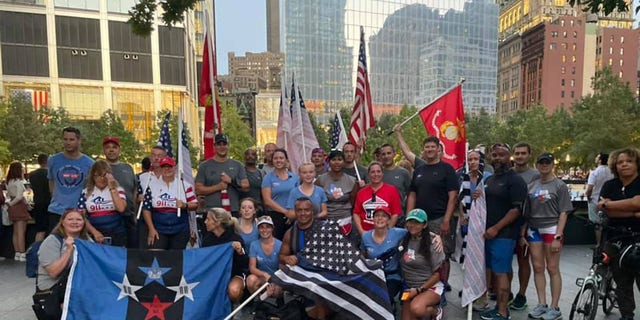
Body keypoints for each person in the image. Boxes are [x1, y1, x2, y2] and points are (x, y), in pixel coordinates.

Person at [479, 143, 527, 320]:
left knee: (501, 274)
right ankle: (498, 307)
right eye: (494, 155)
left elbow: (516, 210)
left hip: (504, 235)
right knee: (496, 275)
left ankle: (503, 312)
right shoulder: (489, 180)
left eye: (501, 155)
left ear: (509, 157)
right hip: (488, 234)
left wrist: (496, 228)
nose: (497, 158)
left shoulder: (515, 180)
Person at [522, 153, 572, 320]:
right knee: (537, 267)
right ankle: (541, 303)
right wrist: (523, 233)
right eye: (541, 162)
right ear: (537, 165)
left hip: (552, 227)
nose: (544, 165)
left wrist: (558, 235)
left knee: (552, 268)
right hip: (533, 228)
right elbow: (526, 211)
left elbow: (564, 211)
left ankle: (555, 306)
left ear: (552, 164)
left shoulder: (559, 185)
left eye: (547, 162)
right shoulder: (532, 185)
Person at [406, 136, 459, 290]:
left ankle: (443, 284)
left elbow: (453, 196)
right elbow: (412, 194)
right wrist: (409, 218)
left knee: (442, 254)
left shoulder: (447, 169)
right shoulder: (419, 170)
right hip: (419, 221)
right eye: (426, 147)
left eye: (432, 147)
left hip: (439, 218)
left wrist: (447, 220)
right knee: (420, 251)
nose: (429, 150)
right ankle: (424, 282)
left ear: (438, 149)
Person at [598, 148, 640, 320]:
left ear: (637, 163)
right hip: (615, 237)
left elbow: (638, 201)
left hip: (638, 238)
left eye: (629, 161)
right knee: (621, 281)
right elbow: (603, 209)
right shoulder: (610, 185)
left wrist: (610, 204)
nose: (624, 164)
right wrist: (633, 211)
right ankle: (626, 315)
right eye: (620, 162)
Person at [37, 208, 90, 314]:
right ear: (63, 222)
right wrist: (69, 250)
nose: (75, 222)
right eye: (70, 219)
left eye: (79, 219)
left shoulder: (86, 240)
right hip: (54, 287)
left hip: (76, 283)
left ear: (84, 223)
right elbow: (53, 272)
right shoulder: (52, 241)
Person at [142, 157, 198, 250]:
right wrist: (151, 229)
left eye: (169, 166)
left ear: (174, 168)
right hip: (158, 229)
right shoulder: (151, 185)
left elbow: (195, 205)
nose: (167, 169)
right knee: (157, 256)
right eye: (164, 167)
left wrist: (185, 205)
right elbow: (146, 209)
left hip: (180, 230)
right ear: (160, 168)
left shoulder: (184, 185)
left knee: (176, 259)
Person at [399, 209, 446, 320]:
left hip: (429, 287)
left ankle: (435, 311)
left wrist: (419, 290)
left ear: (424, 225)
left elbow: (439, 274)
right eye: (410, 221)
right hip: (409, 288)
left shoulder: (434, 243)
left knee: (416, 308)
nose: (412, 225)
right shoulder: (403, 237)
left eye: (417, 222)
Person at [509, 142, 540, 310]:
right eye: (517, 153)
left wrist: (526, 227)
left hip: (527, 223)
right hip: (508, 222)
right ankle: (506, 292)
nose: (520, 156)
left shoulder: (536, 175)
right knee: (506, 261)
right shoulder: (508, 173)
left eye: (523, 153)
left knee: (523, 260)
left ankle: (521, 294)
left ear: (529, 155)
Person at [47, 127, 94, 232]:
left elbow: (91, 187)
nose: (68, 142)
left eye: (71, 140)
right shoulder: (53, 160)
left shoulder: (89, 163)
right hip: (56, 210)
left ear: (79, 141)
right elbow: (51, 181)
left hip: (78, 212)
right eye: (65, 139)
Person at [201, 207, 248, 304]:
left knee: (234, 291)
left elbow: (244, 264)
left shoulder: (235, 239)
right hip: (214, 275)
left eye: (208, 219)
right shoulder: (207, 240)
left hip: (234, 274)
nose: (205, 222)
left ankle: (235, 309)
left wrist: (239, 252)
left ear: (218, 222)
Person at [195, 133, 249, 217]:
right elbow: (198, 189)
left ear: (228, 146)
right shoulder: (204, 166)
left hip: (233, 210)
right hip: (212, 211)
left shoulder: (237, 165)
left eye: (224, 144)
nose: (222, 147)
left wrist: (231, 181)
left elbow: (246, 186)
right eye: (219, 144)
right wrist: (218, 187)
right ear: (214, 146)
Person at [77, 160, 127, 246]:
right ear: (93, 176)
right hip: (94, 233)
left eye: (104, 175)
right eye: (97, 175)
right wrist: (94, 232)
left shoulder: (118, 190)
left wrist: (112, 187)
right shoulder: (85, 192)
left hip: (116, 233)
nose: (101, 179)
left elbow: (121, 208)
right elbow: (81, 216)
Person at [102, 136, 138, 248]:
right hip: (108, 217)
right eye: (108, 147)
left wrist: (135, 212)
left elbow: (135, 190)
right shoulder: (98, 168)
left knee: (131, 249)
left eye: (114, 147)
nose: (111, 150)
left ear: (119, 150)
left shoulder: (127, 168)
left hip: (128, 215)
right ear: (103, 150)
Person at [316, 150, 358, 237]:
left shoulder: (352, 181)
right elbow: (316, 199)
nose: (336, 162)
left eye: (339, 159)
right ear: (329, 162)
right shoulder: (320, 180)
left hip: (345, 220)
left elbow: (353, 201)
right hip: (326, 219)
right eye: (333, 159)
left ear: (344, 162)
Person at [353, 162, 402, 235]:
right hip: (366, 232)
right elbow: (356, 213)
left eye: (378, 171)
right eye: (373, 172)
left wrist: (388, 231)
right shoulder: (361, 192)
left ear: (382, 173)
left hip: (385, 233)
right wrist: (361, 231)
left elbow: (395, 213)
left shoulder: (392, 190)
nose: (376, 174)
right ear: (368, 174)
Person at [261, 148, 299, 240]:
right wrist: (285, 212)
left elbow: (299, 197)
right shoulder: (268, 178)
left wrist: (292, 213)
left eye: (281, 158)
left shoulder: (294, 177)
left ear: (286, 160)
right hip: (275, 216)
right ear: (272, 160)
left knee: (292, 244)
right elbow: (267, 200)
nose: (279, 160)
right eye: (276, 158)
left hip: (293, 215)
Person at [136, 146, 166, 249]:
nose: (156, 158)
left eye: (159, 155)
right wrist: (138, 198)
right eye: (154, 155)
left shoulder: (170, 176)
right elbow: (136, 197)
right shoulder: (142, 177)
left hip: (164, 218)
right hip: (146, 218)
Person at [246, 215, 283, 296]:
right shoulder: (254, 245)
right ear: (258, 229)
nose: (264, 230)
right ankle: (259, 302)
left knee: (277, 291)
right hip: (261, 276)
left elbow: (282, 267)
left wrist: (274, 280)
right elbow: (252, 267)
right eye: (261, 227)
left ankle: (279, 301)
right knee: (251, 280)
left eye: (267, 227)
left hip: (276, 277)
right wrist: (264, 275)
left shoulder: (280, 245)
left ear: (272, 228)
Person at [585, 152, 613, 247]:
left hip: (595, 200)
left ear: (600, 160)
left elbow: (589, 188)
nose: (595, 159)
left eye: (597, 157)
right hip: (609, 201)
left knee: (597, 223)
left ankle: (598, 244)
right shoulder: (612, 172)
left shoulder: (594, 172)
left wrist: (588, 196)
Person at [379, 143, 411, 219]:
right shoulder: (377, 173)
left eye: (389, 153)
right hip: (380, 216)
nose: (386, 156)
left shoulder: (403, 173)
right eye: (383, 154)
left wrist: (408, 215)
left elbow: (410, 195)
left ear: (394, 154)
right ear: (380, 157)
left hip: (399, 216)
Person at [6, 162, 30, 261]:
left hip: (12, 207)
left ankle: (17, 252)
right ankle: (22, 253)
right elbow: (20, 196)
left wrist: (9, 204)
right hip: (19, 207)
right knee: (21, 232)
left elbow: (9, 195)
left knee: (15, 232)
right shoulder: (19, 182)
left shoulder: (9, 182)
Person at [29, 154, 50, 242]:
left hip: (38, 202)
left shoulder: (32, 174)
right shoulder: (49, 174)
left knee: (40, 230)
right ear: (47, 161)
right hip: (49, 203)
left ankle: (36, 249)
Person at [241, 148, 264, 213]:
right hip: (244, 209)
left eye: (253, 154)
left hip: (258, 208)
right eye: (247, 154)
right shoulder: (240, 172)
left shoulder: (261, 173)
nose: (250, 156)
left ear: (256, 157)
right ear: (244, 157)